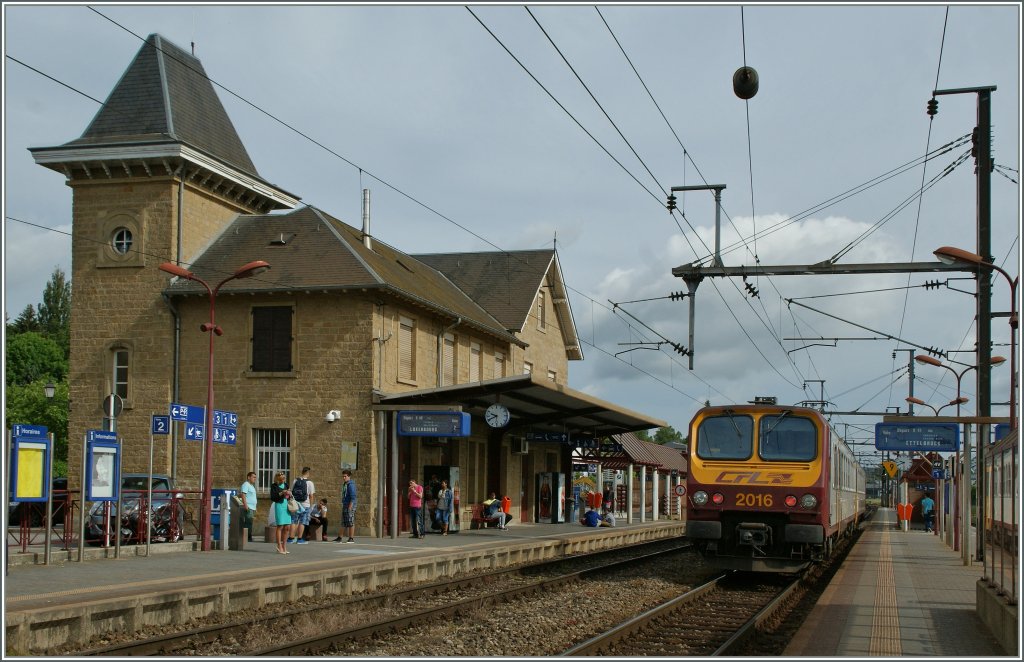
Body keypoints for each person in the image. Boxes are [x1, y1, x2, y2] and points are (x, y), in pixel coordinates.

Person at [290, 467, 314, 544]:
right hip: (305, 504)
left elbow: (291, 492)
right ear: (308, 473)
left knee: (294, 521)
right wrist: (311, 506)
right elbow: (311, 496)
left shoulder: (295, 480)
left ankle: (291, 538)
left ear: (302, 472)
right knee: (302, 522)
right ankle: (300, 539)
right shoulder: (310, 483)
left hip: (296, 504)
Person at [269, 472, 291, 554]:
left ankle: (284, 545)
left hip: (286, 506)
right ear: (278, 479)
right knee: (280, 526)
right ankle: (279, 546)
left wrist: (289, 494)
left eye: (284, 478)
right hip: (279, 506)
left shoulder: (286, 485)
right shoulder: (274, 486)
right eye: (282, 478)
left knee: (287, 527)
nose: (284, 480)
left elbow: (289, 497)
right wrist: (282, 492)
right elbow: (273, 497)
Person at [334, 469, 357, 543]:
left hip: (350, 505)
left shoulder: (351, 485)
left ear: (349, 476)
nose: (344, 478)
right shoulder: (345, 484)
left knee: (350, 521)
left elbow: (353, 496)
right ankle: (340, 537)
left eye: (345, 476)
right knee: (343, 521)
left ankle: (351, 538)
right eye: (343, 476)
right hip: (345, 504)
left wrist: (350, 506)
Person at [240, 471, 258, 543]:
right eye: (253, 477)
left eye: (255, 477)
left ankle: (248, 536)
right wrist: (245, 505)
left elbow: (253, 497)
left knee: (250, 522)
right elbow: (243, 495)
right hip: (248, 507)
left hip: (252, 507)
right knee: (248, 522)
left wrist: (255, 507)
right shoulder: (246, 484)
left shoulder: (252, 486)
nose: (254, 479)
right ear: (248, 477)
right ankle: (248, 537)